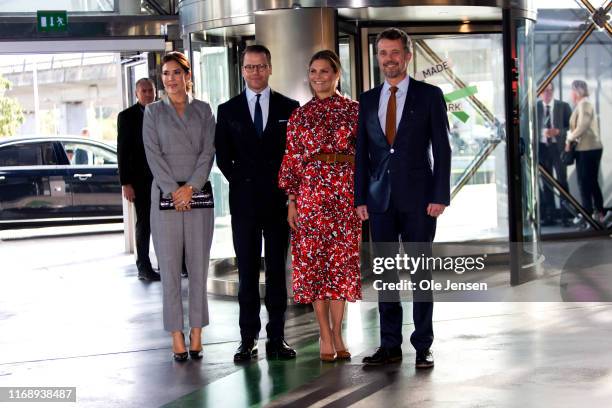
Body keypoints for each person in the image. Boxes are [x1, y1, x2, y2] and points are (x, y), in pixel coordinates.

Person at [354, 28, 451, 368]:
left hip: (420, 201)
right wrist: (360, 199)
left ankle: (423, 345)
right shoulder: (366, 101)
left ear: (408, 56)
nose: (389, 59)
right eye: (383, 53)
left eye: (395, 53)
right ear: (378, 57)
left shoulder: (429, 95)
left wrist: (440, 195)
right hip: (379, 201)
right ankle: (390, 345)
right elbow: (362, 155)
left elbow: (442, 149)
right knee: (385, 276)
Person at [215, 45, 299, 362]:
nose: (255, 72)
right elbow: (223, 157)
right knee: (247, 273)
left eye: (261, 66)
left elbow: (294, 155)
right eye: (250, 67)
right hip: (245, 204)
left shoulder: (289, 107)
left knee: (277, 272)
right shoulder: (228, 110)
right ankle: (247, 339)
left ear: (270, 68)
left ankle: (276, 338)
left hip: (278, 204)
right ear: (242, 70)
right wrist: (243, 180)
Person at [279, 50, 361, 362]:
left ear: (336, 74)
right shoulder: (300, 115)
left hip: (345, 197)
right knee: (314, 268)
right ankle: (323, 334)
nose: (318, 77)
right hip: (310, 196)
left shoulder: (354, 111)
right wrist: (292, 201)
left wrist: (362, 200)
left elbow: (366, 157)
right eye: (313, 71)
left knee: (340, 268)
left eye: (324, 71)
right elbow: (291, 160)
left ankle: (338, 331)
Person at [143, 51, 216, 362]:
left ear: (188, 77)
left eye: (176, 73)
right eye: (166, 74)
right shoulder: (153, 112)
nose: (170, 79)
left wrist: (191, 188)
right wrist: (175, 191)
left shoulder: (204, 110)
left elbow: (208, 152)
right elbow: (153, 154)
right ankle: (176, 334)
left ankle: (197, 332)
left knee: (198, 268)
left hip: (198, 197)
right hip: (165, 198)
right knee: (170, 269)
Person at [117, 78, 160, 281]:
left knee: (166, 222)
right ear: (136, 94)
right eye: (144, 91)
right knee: (144, 223)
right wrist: (126, 183)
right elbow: (123, 151)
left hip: (163, 178)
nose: (148, 94)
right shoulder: (127, 117)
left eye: (151, 91)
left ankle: (178, 264)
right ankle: (144, 267)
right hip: (140, 181)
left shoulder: (163, 112)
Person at [565, 80, 606, 225]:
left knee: (586, 182)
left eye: (571, 90)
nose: (570, 93)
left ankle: (591, 214)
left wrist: (570, 137)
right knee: (588, 182)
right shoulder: (580, 105)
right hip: (586, 149)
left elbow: (583, 125)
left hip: (589, 149)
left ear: (577, 91)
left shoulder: (585, 104)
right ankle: (593, 213)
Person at [537, 82, 573, 227]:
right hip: (542, 149)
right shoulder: (535, 108)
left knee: (562, 181)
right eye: (545, 91)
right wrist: (542, 132)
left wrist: (558, 132)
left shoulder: (563, 106)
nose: (547, 93)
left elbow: (571, 128)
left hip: (558, 149)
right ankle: (549, 216)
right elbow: (530, 127)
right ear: (540, 93)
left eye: (550, 90)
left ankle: (566, 216)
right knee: (547, 183)